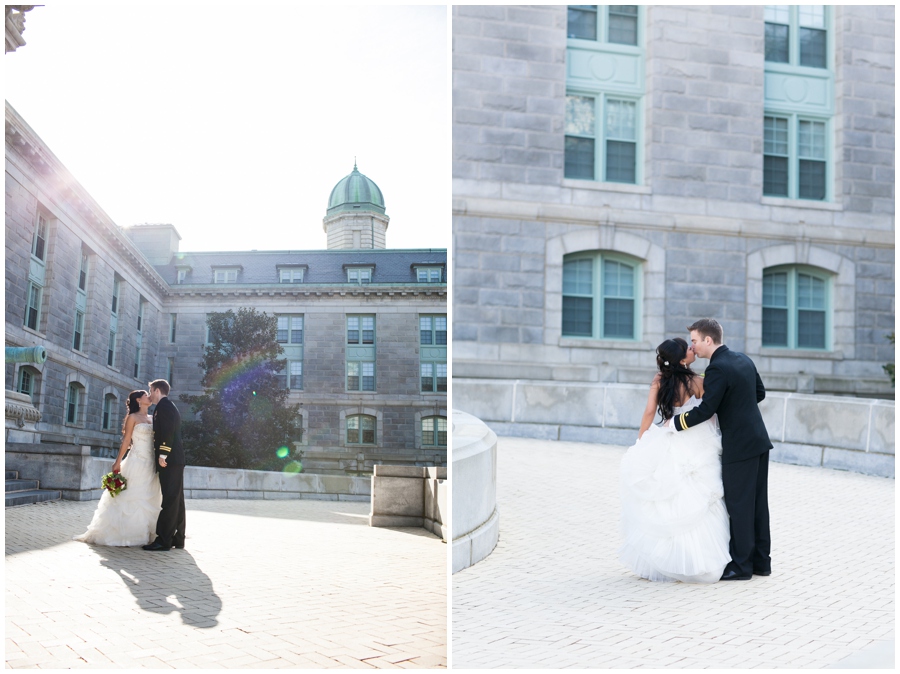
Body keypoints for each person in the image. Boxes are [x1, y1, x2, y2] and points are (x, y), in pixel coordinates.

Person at [619, 337, 732, 583]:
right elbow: (710, 414)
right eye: (689, 349)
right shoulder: (698, 381)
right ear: (683, 359)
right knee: (698, 498)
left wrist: (641, 441)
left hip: (670, 435)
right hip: (697, 439)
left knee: (671, 501)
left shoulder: (659, 380)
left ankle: (670, 560)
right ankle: (699, 559)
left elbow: (649, 412)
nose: (693, 350)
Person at [668, 318, 773, 581]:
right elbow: (759, 393)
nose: (692, 346)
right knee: (758, 504)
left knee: (739, 506)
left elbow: (706, 410)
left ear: (708, 340)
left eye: (694, 341)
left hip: (739, 445)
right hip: (759, 440)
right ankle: (761, 562)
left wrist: (676, 424)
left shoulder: (717, 369)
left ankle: (741, 566)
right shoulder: (742, 359)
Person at [74, 390, 162, 546]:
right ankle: (127, 535)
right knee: (131, 495)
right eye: (146, 395)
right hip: (136, 461)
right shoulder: (132, 418)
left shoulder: (152, 417)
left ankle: (149, 534)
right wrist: (117, 462)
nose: (150, 396)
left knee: (150, 495)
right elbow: (127, 440)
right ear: (138, 400)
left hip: (151, 463)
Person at [143, 379, 186, 551]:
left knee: (169, 500)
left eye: (151, 391)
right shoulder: (167, 406)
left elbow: (167, 432)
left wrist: (163, 454)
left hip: (170, 460)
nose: (150, 395)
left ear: (158, 390)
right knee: (176, 500)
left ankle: (164, 540)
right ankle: (178, 538)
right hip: (174, 460)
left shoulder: (165, 407)